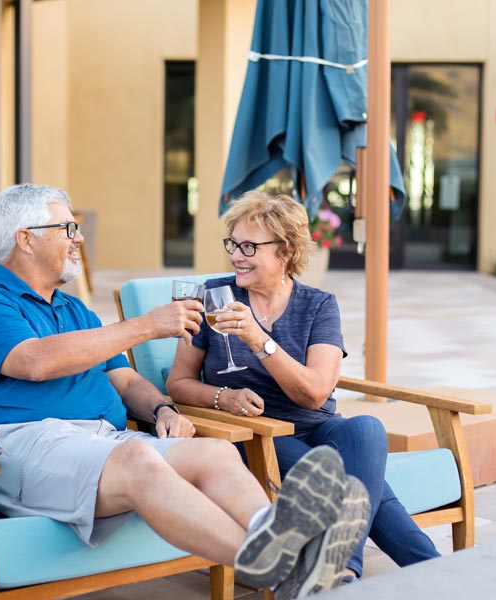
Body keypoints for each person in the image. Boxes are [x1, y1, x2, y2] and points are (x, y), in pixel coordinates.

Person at [0, 183, 370, 598]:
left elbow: (124, 380)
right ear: (26, 239)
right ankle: (280, 567)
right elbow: (35, 362)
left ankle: (280, 545)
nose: (79, 237)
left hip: (102, 440)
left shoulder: (73, 309)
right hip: (27, 444)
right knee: (138, 458)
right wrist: (146, 325)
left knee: (214, 451)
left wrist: (163, 410)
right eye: (68, 229)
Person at [166, 190, 441, 582]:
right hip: (256, 434)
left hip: (317, 425)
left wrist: (258, 338)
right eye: (233, 244)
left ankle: (343, 567)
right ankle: (431, 573)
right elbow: (177, 382)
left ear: (286, 252)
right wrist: (223, 397)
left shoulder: (318, 305)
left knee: (366, 429)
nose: (236, 256)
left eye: (249, 246)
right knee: (357, 483)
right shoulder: (213, 296)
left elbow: (314, 393)